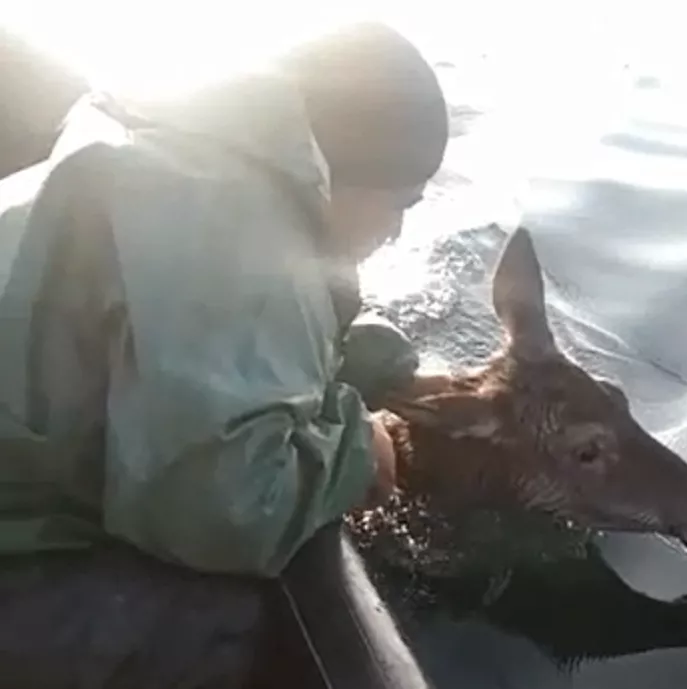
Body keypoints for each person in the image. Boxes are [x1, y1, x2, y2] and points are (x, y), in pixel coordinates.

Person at [0, 22, 449, 578]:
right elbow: (223, 518)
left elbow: (200, 332)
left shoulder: (181, 152)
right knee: (229, 606)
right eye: (401, 203)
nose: (398, 231)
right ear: (343, 173)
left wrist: (374, 366)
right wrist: (356, 452)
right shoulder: (247, 242)